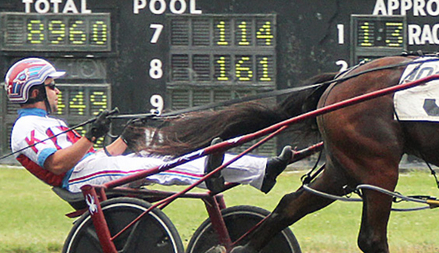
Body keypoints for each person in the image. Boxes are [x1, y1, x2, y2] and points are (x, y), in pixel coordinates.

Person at [6, 57, 291, 194]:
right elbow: (57, 165)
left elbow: (100, 157)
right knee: (162, 168)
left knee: (170, 156)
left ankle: (261, 171)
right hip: (79, 181)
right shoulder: (25, 129)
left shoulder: (49, 123)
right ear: (34, 92)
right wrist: (90, 136)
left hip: (92, 169)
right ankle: (255, 172)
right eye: (51, 86)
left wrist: (127, 138)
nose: (57, 91)